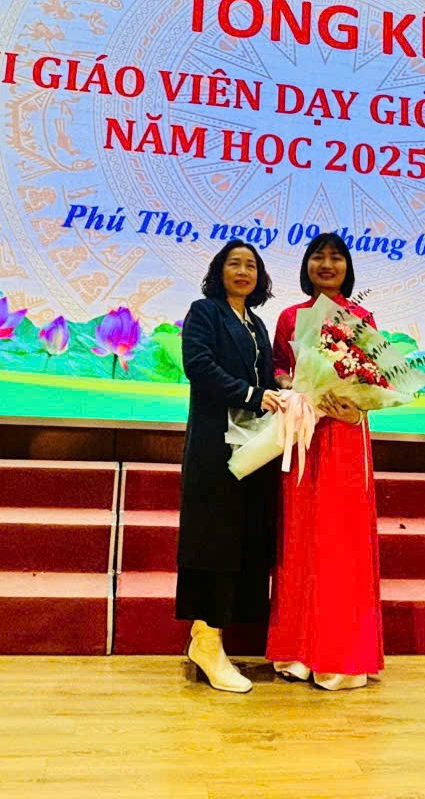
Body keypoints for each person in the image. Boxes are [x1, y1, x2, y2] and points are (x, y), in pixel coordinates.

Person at [265, 232, 383, 690]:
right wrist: (293, 386)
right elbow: (278, 366)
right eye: (318, 256)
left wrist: (354, 403)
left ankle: (341, 656)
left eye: (336, 257)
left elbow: (376, 377)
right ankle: (297, 652)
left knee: (341, 538)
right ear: (307, 266)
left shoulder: (361, 318)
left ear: (347, 268)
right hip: (302, 434)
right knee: (300, 535)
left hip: (346, 433)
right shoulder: (290, 317)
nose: (327, 264)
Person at [175, 239, 282, 693]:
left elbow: (267, 380)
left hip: (253, 449)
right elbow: (198, 366)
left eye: (251, 265)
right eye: (234, 263)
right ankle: (206, 640)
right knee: (213, 541)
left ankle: (211, 638)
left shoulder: (257, 324)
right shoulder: (205, 313)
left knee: (242, 541)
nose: (243, 271)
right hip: (214, 448)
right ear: (219, 271)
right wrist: (252, 395)